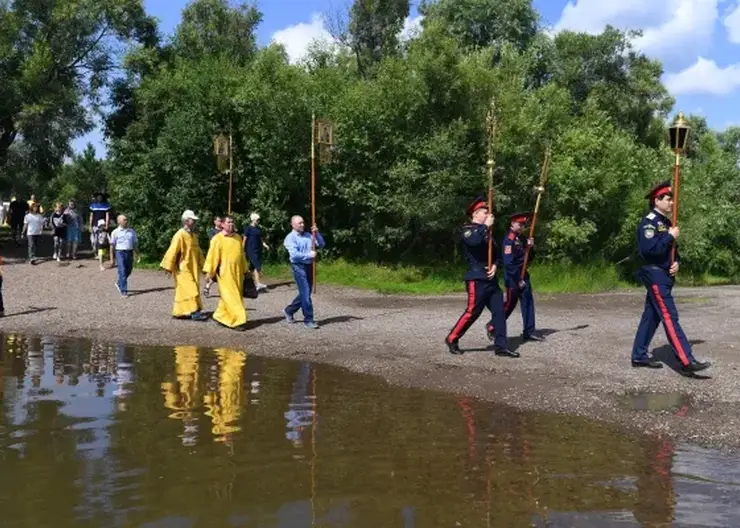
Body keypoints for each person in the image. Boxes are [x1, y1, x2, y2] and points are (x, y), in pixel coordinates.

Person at [630, 181, 710, 374]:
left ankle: (639, 355)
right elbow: (649, 251)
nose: (672, 203)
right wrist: (669, 237)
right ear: (656, 200)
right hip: (654, 273)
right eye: (668, 199)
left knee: (652, 317)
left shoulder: (666, 223)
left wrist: (676, 262)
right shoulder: (649, 222)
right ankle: (686, 360)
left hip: (664, 273)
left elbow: (671, 251)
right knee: (669, 315)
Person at [445, 197, 517, 357]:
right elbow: (474, 242)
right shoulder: (468, 229)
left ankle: (501, 346)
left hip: (491, 279)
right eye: (485, 212)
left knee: (499, 312)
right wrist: (485, 226)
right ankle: (452, 337)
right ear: (476, 214)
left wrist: (495, 265)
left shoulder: (488, 233)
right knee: (472, 312)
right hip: (476, 278)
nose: (489, 215)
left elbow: (497, 254)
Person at [501, 212, 544, 342]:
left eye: (523, 224)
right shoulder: (509, 240)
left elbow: (529, 257)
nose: (522, 226)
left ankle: (529, 331)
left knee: (528, 302)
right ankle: (492, 326)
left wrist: (530, 247)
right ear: (512, 223)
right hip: (513, 277)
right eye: (519, 224)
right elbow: (508, 263)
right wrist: (518, 279)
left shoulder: (522, 238)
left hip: (523, 273)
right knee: (509, 304)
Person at [160, 210, 208, 321]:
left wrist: (205, 266)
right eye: (192, 220)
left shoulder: (194, 236)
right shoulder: (179, 234)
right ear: (186, 221)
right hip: (182, 268)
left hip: (193, 267)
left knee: (184, 290)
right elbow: (173, 251)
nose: (195, 222)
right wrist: (168, 266)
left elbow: (198, 252)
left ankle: (180, 312)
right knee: (191, 289)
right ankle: (195, 312)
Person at [203, 215, 248, 329]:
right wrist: (209, 272)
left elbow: (241, 255)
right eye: (228, 222)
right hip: (224, 273)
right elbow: (212, 257)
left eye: (232, 222)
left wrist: (245, 270)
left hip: (237, 272)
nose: (231, 224)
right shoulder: (217, 239)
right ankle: (238, 321)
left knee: (231, 296)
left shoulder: (238, 238)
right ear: (222, 224)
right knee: (232, 296)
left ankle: (220, 315)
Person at [283, 215, 325, 329]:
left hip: (309, 266)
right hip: (298, 266)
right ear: (292, 225)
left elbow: (321, 244)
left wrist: (317, 233)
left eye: (302, 223)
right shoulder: (290, 238)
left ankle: (289, 310)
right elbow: (294, 255)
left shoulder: (308, 235)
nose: (302, 225)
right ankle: (309, 319)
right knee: (306, 293)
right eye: (299, 223)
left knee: (305, 293)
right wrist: (309, 255)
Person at [109, 214, 139, 297]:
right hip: (120, 252)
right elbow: (112, 246)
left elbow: (135, 244)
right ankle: (124, 291)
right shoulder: (115, 232)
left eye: (126, 220)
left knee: (128, 270)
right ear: (119, 221)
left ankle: (119, 283)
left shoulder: (131, 231)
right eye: (124, 220)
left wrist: (137, 254)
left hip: (129, 252)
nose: (126, 221)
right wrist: (112, 258)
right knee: (122, 271)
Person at [243, 212, 270, 292]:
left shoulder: (258, 229)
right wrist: (242, 250)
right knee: (258, 266)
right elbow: (244, 240)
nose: (258, 221)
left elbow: (260, 239)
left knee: (251, 268)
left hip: (258, 250)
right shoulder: (248, 228)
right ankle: (258, 284)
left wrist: (265, 245)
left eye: (259, 220)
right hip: (251, 250)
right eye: (257, 220)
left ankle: (245, 283)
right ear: (253, 219)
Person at [204, 216, 223, 297]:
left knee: (221, 273)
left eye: (221, 221)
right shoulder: (212, 232)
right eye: (219, 221)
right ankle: (207, 287)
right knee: (214, 273)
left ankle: (208, 287)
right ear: (215, 222)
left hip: (223, 256)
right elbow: (214, 241)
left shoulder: (223, 231)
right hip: (214, 256)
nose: (220, 222)